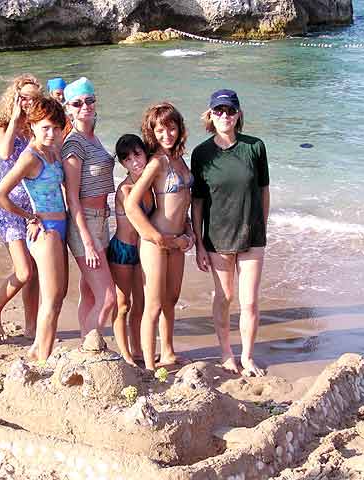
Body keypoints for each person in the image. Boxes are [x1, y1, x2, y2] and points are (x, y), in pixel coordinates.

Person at [191, 89, 270, 377]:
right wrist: (199, 244)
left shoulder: (255, 147)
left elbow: (264, 191)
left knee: (249, 301)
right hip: (217, 237)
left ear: (238, 115)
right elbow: (197, 203)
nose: (225, 115)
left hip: (252, 236)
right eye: (219, 110)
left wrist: (262, 226)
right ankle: (226, 353)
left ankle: (247, 357)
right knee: (224, 297)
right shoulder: (201, 154)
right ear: (210, 115)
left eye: (230, 110)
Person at [0, 97, 68, 361]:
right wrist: (29, 217)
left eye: (56, 128)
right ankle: (41, 358)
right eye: (45, 127)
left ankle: (38, 348)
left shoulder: (52, 150)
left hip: (61, 225)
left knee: (58, 297)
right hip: (46, 230)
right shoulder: (30, 157)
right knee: (52, 299)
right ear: (32, 126)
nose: (51, 133)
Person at [125, 102, 195, 371]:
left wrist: (189, 230)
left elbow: (183, 201)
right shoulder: (156, 162)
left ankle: (168, 353)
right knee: (153, 305)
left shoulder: (179, 158)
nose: (167, 135)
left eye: (172, 128)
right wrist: (154, 236)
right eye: (160, 130)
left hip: (178, 239)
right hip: (156, 241)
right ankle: (150, 367)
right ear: (152, 132)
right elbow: (131, 204)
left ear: (179, 128)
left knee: (171, 299)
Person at [0, 74, 41, 341]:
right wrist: (16, 119)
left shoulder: (37, 126)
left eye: (34, 98)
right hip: (9, 208)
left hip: (34, 208)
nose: (29, 102)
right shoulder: (2, 125)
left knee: (35, 272)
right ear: (15, 98)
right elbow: (5, 153)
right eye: (24, 98)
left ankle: (31, 326)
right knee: (24, 271)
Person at [62, 77, 116, 337]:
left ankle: (86, 340)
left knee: (90, 292)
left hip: (101, 220)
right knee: (108, 298)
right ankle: (90, 347)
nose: (85, 106)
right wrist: (88, 241)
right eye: (77, 103)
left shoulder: (92, 137)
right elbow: (72, 198)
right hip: (85, 224)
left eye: (90, 100)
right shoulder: (74, 144)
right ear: (68, 109)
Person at [108, 134, 154, 366]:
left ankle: (137, 350)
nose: (134, 162)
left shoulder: (150, 186)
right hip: (123, 251)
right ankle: (125, 354)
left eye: (138, 154)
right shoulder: (125, 190)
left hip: (142, 251)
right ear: (122, 163)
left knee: (141, 304)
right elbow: (139, 223)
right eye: (127, 159)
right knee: (123, 305)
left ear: (145, 153)